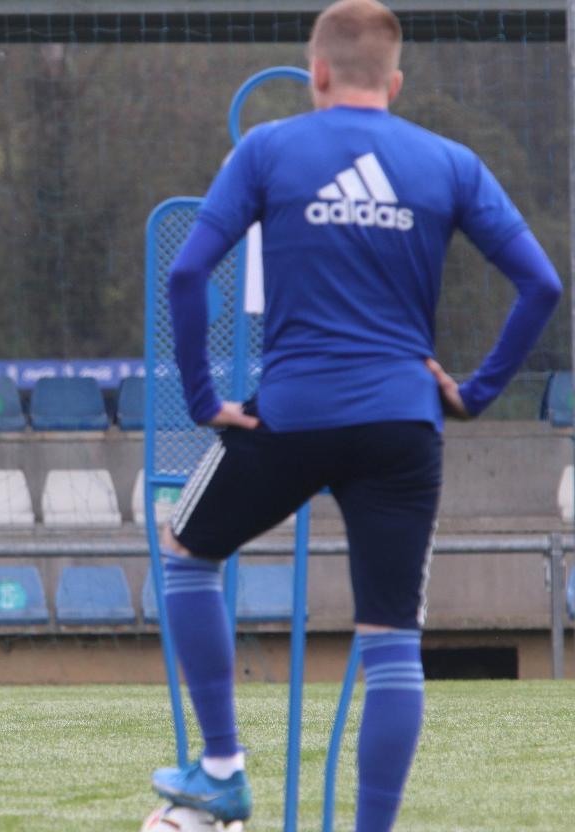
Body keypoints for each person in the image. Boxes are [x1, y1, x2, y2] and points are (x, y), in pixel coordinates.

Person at [149, 1, 561, 829]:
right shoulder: (448, 162)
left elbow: (189, 275)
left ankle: (223, 770)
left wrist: (204, 402)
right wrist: (475, 393)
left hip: (290, 418)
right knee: (391, 643)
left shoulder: (269, 147)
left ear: (319, 74)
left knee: (187, 552)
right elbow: (542, 285)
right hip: (404, 426)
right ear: (396, 82)